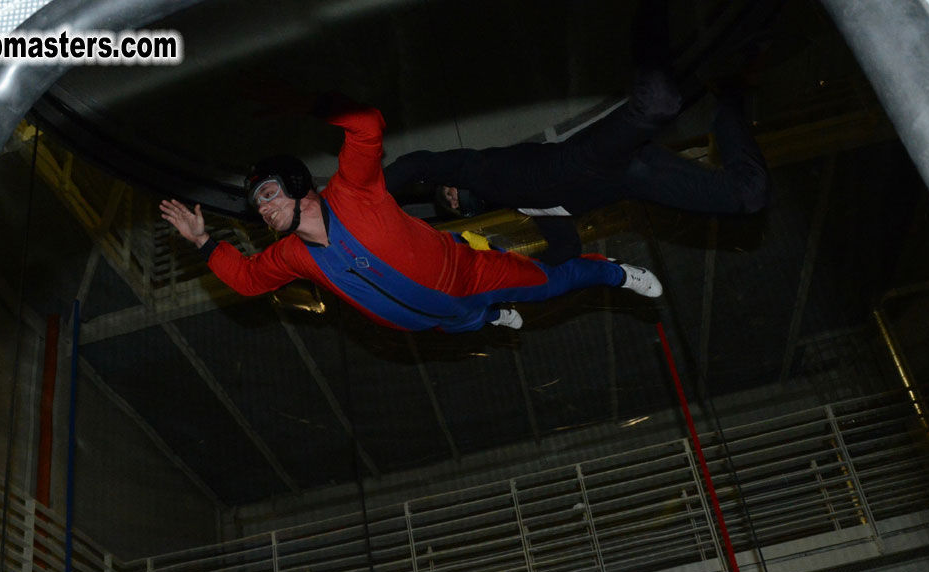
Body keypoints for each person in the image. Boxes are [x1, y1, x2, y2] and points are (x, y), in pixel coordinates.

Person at [160, 96, 661, 334]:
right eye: (257, 205)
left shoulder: (350, 191)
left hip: (471, 274)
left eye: (268, 193)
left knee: (552, 283)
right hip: (436, 321)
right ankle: (489, 316)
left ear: (295, 183)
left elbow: (366, 125)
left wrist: (310, 105)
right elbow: (247, 280)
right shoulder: (292, 255)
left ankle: (615, 273)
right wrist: (203, 242)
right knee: (470, 322)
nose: (264, 207)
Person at [384, 0, 770, 264]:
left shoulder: (479, 169)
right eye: (453, 203)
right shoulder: (532, 210)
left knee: (659, 104)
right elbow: (565, 251)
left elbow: (418, 164)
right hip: (636, 179)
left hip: (590, 156)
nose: (453, 196)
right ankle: (729, 93)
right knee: (749, 196)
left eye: (448, 191)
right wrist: (509, 272)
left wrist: (370, 194)